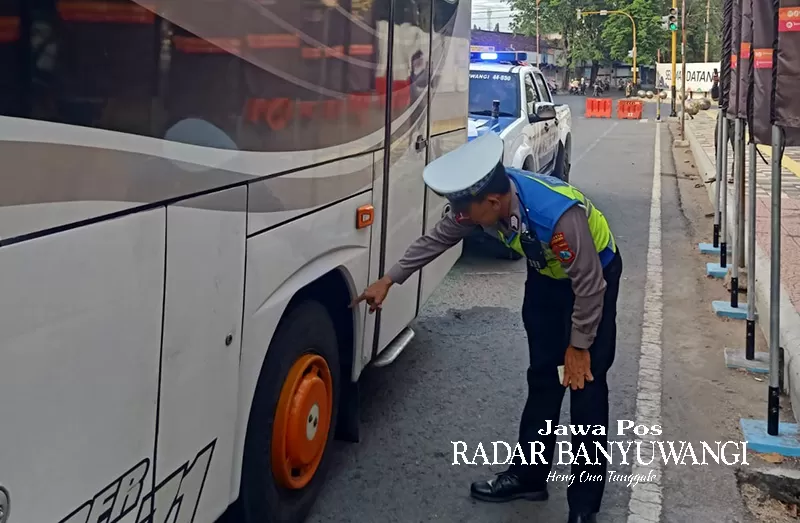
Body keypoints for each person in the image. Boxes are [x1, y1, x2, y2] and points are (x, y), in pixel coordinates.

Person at [353, 133, 623, 523]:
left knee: (586, 388)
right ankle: (530, 476)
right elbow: (437, 239)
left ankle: (584, 506)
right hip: (546, 279)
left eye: (465, 209)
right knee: (543, 379)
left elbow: (589, 285)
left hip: (594, 278)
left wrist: (579, 346)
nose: (460, 216)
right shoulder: (482, 205)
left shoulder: (558, 217)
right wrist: (389, 280)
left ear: (493, 203)